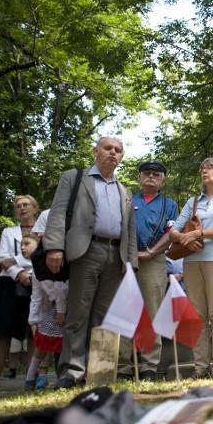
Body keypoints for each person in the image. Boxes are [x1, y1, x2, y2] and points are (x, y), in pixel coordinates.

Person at [43, 136, 137, 389]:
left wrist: (131, 263)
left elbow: (130, 229)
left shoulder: (125, 191)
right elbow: (58, 212)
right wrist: (54, 246)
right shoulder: (74, 178)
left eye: (118, 150)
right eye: (108, 148)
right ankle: (72, 371)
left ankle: (98, 372)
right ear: (96, 151)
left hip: (116, 256)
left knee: (104, 317)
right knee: (78, 313)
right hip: (85, 251)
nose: (113, 153)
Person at [169, 157, 213, 380]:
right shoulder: (193, 201)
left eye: (210, 167)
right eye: (202, 168)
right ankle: (200, 367)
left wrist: (198, 233)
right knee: (198, 316)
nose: (205, 171)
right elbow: (174, 230)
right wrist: (183, 237)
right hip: (191, 261)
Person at [117, 160, 177, 381]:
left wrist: (151, 252)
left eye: (157, 174)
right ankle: (123, 364)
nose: (151, 176)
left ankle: (149, 365)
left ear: (163, 180)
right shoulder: (126, 199)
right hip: (124, 259)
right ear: (139, 178)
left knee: (152, 312)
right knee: (124, 310)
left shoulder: (169, 204)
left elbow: (171, 233)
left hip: (153, 260)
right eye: (147, 173)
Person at [0, 195, 38, 392]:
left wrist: (16, 260)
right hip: (9, 284)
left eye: (26, 205)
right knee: (3, 332)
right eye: (18, 206)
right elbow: (3, 260)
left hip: (37, 283)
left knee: (33, 332)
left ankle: (31, 380)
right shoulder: (8, 232)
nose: (22, 208)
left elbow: (42, 256)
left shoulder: (43, 230)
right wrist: (20, 272)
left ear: (34, 208)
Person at [23, 233, 64, 390]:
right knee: (43, 338)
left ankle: (66, 374)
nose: (22, 247)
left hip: (68, 302)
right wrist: (33, 320)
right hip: (55, 306)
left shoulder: (55, 262)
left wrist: (62, 311)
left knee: (67, 340)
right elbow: (37, 296)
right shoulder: (36, 269)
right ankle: (31, 374)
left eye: (27, 243)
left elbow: (61, 286)